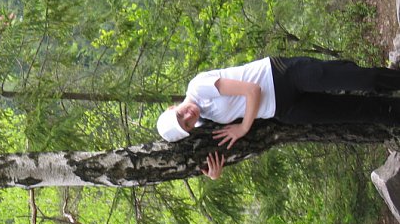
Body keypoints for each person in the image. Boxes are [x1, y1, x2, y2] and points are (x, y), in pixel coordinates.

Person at [157, 56, 400, 179]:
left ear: (171, 107)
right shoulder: (205, 124)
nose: (188, 116)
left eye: (180, 114)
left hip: (282, 76)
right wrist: (214, 175)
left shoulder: (198, 88)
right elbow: (215, 151)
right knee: (354, 112)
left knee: (360, 79)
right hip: (285, 110)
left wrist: (243, 128)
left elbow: (252, 90)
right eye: (186, 124)